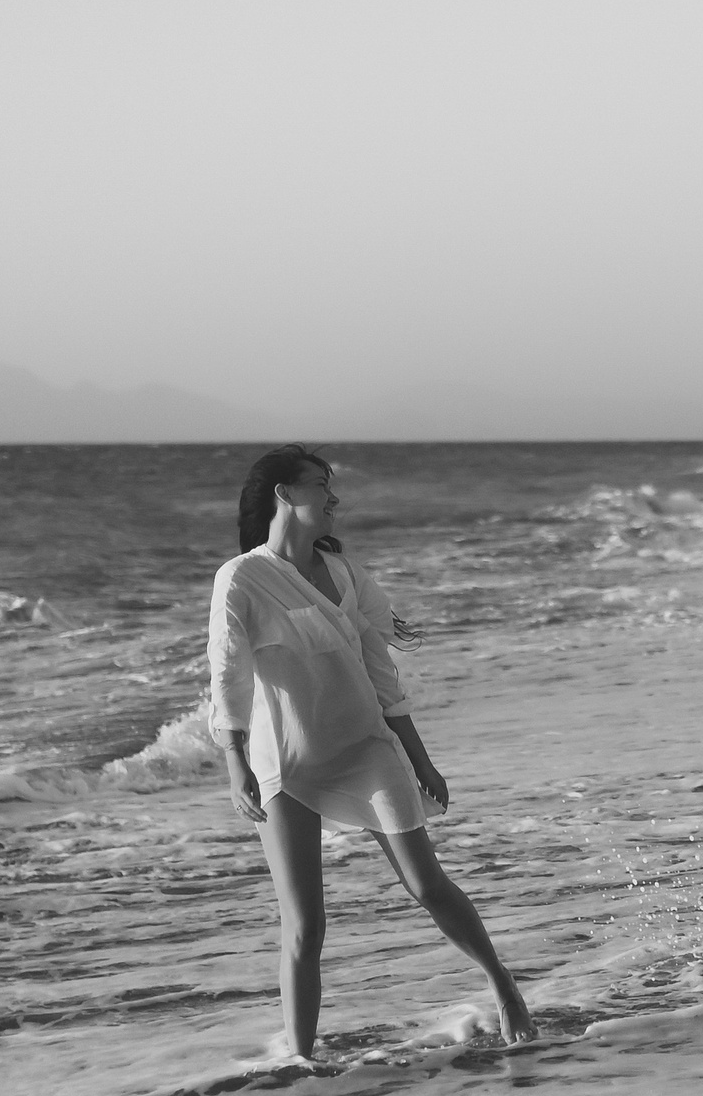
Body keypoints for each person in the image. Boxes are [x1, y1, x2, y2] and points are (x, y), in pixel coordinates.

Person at [208, 445, 535, 1059]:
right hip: (288, 761)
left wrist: (420, 759)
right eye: (319, 487)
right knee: (305, 926)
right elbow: (228, 677)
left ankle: (504, 987)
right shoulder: (243, 578)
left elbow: (381, 675)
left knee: (427, 884)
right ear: (283, 494)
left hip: (365, 748)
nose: (333, 500)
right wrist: (235, 764)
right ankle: (302, 1062)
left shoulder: (348, 574)